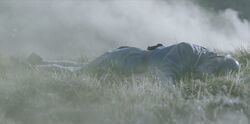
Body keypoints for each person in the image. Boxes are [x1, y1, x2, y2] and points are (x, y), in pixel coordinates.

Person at [28, 42, 240, 82]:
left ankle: (40, 61)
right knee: (78, 74)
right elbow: (168, 71)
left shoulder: (201, 59)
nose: (210, 73)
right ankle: (35, 67)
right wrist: (172, 93)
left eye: (215, 73)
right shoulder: (189, 51)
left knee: (81, 69)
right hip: (126, 61)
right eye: (215, 69)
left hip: (127, 59)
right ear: (217, 58)